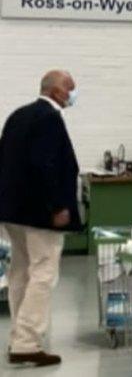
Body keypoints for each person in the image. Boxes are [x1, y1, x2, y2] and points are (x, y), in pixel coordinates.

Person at [0, 71, 83, 367]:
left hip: (13, 211)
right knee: (44, 273)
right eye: (71, 88)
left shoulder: (17, 116)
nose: (74, 94)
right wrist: (58, 205)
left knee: (20, 271)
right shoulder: (49, 119)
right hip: (40, 214)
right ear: (58, 91)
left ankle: (18, 337)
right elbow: (45, 165)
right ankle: (26, 342)